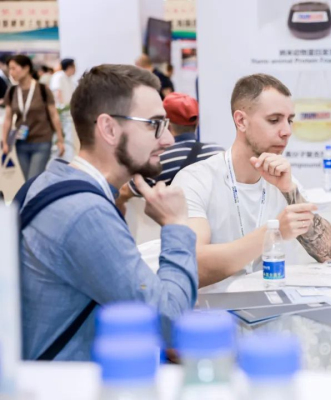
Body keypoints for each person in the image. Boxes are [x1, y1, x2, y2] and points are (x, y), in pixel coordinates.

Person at [17, 64, 198, 361]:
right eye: (154, 124)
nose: (168, 139)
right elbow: (172, 323)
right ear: (109, 129)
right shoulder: (85, 213)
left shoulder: (48, 182)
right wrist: (176, 224)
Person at [172, 74, 331, 290]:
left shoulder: (284, 182)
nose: (287, 132)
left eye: (289, 121)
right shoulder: (195, 180)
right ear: (241, 121)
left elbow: (329, 252)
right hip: (216, 307)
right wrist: (273, 233)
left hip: (276, 304)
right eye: (274, 120)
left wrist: (290, 191)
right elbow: (192, 265)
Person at [116, 92, 224, 214]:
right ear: (197, 123)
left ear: (166, 125)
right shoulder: (218, 152)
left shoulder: (157, 159)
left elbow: (125, 192)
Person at [1, 55, 65, 179]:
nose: (11, 72)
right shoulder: (12, 91)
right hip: (21, 142)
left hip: (42, 141)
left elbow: (54, 115)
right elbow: (8, 118)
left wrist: (60, 139)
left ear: (26, 68)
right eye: (9, 69)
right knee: (29, 181)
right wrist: (5, 142)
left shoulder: (42, 89)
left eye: (14, 68)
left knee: (33, 179)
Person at [50, 58, 77, 161]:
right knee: (60, 138)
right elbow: (57, 93)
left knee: (69, 139)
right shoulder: (59, 76)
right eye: (74, 66)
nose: (76, 69)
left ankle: (68, 160)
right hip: (61, 113)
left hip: (68, 113)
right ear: (70, 67)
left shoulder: (69, 79)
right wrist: (61, 107)